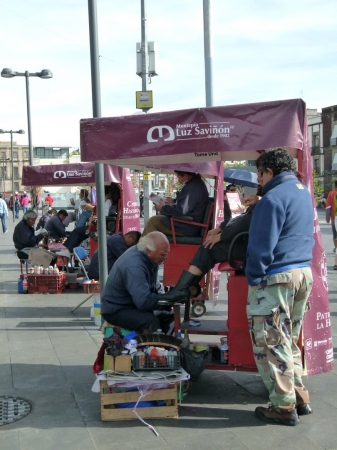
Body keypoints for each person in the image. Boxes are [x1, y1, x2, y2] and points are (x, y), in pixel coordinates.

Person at [245, 148, 314, 426]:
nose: (258, 180)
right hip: (302, 273)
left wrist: (254, 277)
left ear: (269, 172)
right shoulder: (301, 191)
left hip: (277, 277)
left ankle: (283, 407)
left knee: (271, 343)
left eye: (259, 174)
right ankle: (299, 396)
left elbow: (261, 248)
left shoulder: (271, 200)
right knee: (290, 340)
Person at [157, 200, 257, 303]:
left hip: (250, 246)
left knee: (209, 248)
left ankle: (183, 289)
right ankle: (188, 286)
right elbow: (241, 219)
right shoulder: (262, 200)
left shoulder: (267, 199)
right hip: (248, 242)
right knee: (208, 245)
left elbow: (245, 222)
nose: (260, 183)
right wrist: (221, 228)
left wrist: (222, 236)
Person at [101, 232, 175, 334]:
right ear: (148, 251)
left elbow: (155, 286)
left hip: (131, 304)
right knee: (150, 321)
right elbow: (143, 301)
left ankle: (170, 346)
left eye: (167, 253)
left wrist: (167, 299)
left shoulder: (150, 257)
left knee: (169, 314)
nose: (166, 257)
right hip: (116, 309)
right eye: (163, 254)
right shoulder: (134, 265)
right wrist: (167, 299)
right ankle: (154, 348)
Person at [141, 171, 209, 237]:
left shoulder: (192, 188)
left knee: (152, 222)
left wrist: (163, 208)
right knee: (156, 220)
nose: (178, 180)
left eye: (179, 177)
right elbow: (189, 203)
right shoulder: (196, 184)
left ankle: (142, 247)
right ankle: (150, 244)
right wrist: (174, 201)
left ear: (186, 176)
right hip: (189, 223)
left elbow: (182, 210)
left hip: (188, 226)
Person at [325, 180, 337, 267]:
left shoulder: (332, 194)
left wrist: (327, 218)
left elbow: (328, 207)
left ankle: (336, 247)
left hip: (335, 218)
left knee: (335, 235)